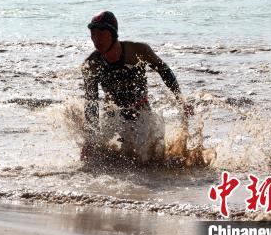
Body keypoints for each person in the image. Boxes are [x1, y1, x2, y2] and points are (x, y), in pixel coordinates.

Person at [81, 10, 192, 165]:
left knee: (148, 160)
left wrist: (181, 100)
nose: (96, 40)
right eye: (93, 35)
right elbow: (91, 103)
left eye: (101, 34)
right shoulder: (91, 64)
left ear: (113, 34)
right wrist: (91, 139)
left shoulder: (138, 51)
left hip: (141, 112)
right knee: (95, 157)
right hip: (113, 115)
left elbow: (165, 71)